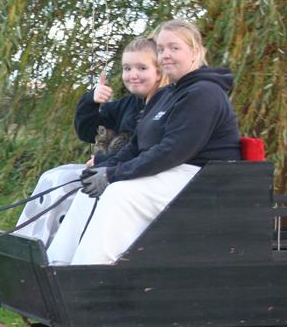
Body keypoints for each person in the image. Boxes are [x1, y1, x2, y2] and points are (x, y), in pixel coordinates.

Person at [45, 18, 242, 265]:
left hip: (203, 180)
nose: (165, 55)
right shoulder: (165, 95)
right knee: (89, 190)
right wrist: (104, 169)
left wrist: (114, 174)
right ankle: (57, 265)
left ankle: (90, 272)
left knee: (119, 192)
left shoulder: (204, 93)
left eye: (174, 48)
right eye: (160, 49)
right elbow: (136, 147)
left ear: (195, 52)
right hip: (171, 173)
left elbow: (171, 151)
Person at [14, 37, 168, 246]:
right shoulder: (127, 105)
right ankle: (27, 242)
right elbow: (88, 132)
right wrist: (90, 102)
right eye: (127, 68)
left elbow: (146, 148)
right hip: (111, 168)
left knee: (67, 185)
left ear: (159, 71)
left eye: (142, 68)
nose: (132, 75)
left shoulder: (163, 105)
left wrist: (103, 162)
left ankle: (54, 249)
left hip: (135, 176)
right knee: (53, 178)